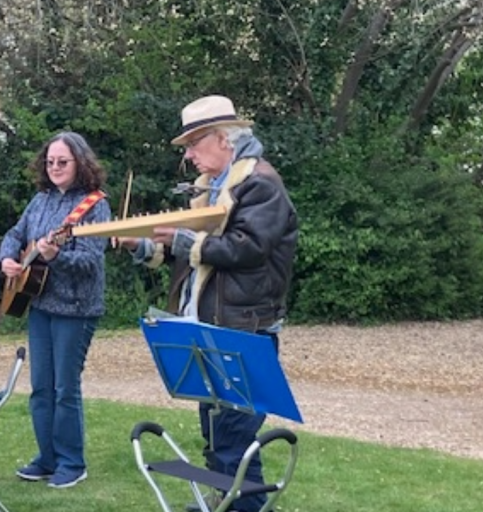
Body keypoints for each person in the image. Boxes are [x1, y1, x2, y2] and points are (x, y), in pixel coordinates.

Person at [121, 95, 298, 512]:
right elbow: (194, 256)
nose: (188, 154)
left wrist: (183, 240)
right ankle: (224, 504)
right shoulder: (213, 190)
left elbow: (247, 249)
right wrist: (141, 245)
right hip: (210, 331)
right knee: (220, 441)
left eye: (193, 143)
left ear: (224, 139)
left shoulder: (260, 183)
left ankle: (237, 507)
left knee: (235, 444)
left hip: (244, 333)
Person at [0, 131, 111, 489]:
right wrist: (6, 258)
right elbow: (16, 235)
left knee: (65, 388)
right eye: (50, 162)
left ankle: (72, 463)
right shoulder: (40, 199)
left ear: (80, 162)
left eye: (62, 162)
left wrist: (56, 256)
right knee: (40, 388)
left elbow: (91, 262)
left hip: (76, 308)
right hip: (40, 303)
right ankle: (46, 459)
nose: (55, 167)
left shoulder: (94, 205)